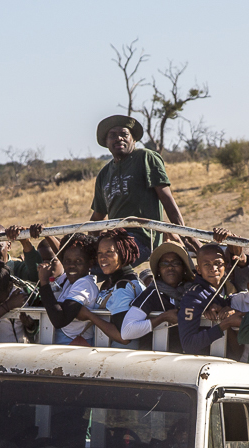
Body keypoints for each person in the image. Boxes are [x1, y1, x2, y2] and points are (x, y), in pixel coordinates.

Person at [89, 115, 193, 260]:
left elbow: (167, 200)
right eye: (112, 135)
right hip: (116, 240)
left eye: (124, 134)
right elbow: (97, 217)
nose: (119, 138)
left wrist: (186, 236)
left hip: (144, 238)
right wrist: (88, 242)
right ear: (106, 142)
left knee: (111, 259)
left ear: (133, 139)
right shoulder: (104, 174)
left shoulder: (146, 158)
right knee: (83, 262)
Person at [117, 241, 192, 350]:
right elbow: (127, 331)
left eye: (176, 263)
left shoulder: (193, 292)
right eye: (164, 264)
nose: (170, 267)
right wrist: (163, 318)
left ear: (184, 268)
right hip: (154, 361)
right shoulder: (152, 294)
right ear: (158, 270)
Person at [81, 230, 145, 348]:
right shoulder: (125, 281)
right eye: (99, 253)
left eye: (109, 252)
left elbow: (123, 337)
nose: (102, 258)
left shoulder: (123, 287)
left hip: (120, 358)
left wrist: (89, 315)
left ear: (122, 253)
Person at [177, 244, 238, 355]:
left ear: (226, 265)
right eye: (207, 264)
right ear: (198, 269)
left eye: (218, 263)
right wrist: (223, 325)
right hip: (203, 361)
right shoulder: (194, 296)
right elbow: (188, 344)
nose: (213, 269)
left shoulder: (230, 288)